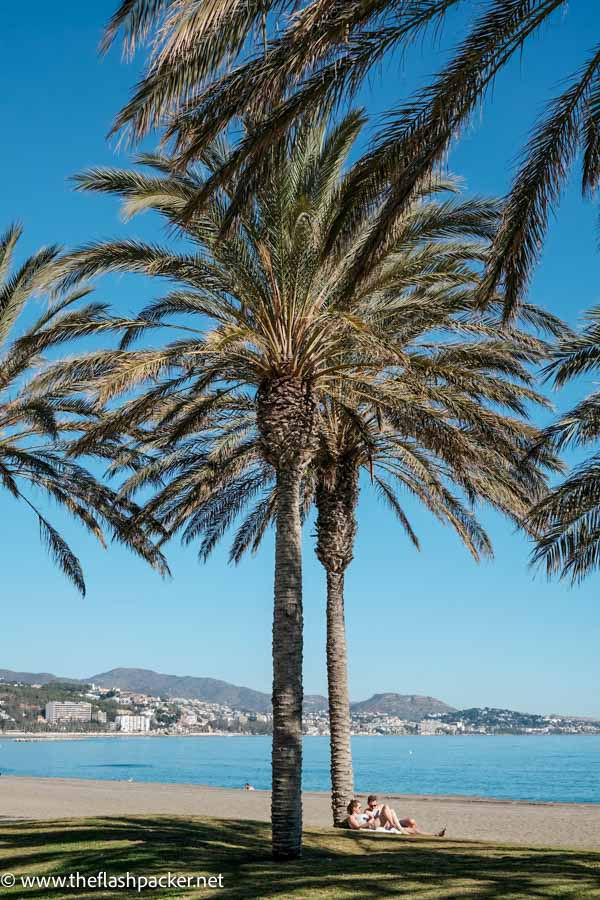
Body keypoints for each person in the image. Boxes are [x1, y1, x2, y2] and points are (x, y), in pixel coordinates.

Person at [365, 794, 446, 837]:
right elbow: (372, 820)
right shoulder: (367, 811)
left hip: (394, 821)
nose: (373, 807)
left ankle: (436, 834)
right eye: (371, 806)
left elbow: (387, 811)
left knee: (411, 821)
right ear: (368, 804)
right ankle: (401, 829)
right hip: (387, 825)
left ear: (376, 803)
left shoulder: (380, 806)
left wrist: (379, 808)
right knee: (388, 807)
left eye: (374, 805)